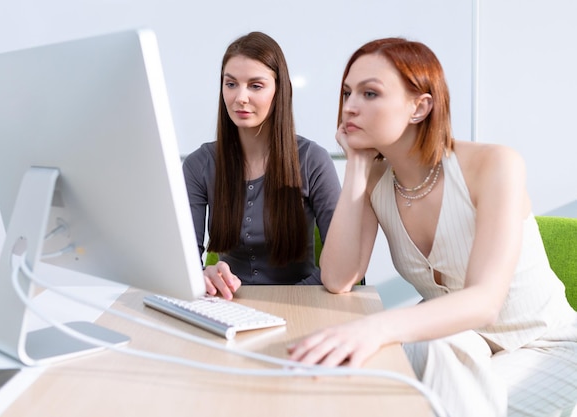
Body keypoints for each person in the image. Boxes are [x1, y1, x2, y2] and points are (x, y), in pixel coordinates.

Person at [287, 38, 577, 417]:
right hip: (458, 344)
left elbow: (484, 301)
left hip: (542, 345)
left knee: (422, 403)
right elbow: (339, 277)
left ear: (419, 107)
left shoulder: (494, 164)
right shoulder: (376, 180)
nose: (350, 106)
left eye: (370, 93)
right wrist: (356, 164)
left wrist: (375, 328)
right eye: (347, 92)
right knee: (383, 378)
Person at [183, 32, 341, 300]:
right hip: (228, 306)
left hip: (303, 305)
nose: (240, 97)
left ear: (279, 90)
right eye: (231, 84)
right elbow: (183, 263)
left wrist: (285, 301)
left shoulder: (312, 160)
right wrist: (202, 277)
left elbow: (340, 263)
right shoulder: (200, 164)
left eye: (255, 86)